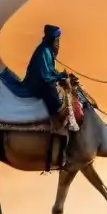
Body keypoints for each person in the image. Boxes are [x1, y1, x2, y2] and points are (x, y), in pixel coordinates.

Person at [19, 24, 73, 170]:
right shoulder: (43, 51)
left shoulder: (48, 50)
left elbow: (50, 70)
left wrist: (61, 75)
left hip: (43, 81)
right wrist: (60, 76)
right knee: (56, 103)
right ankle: (55, 127)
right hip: (37, 84)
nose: (58, 42)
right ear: (51, 38)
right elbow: (45, 75)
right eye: (57, 38)